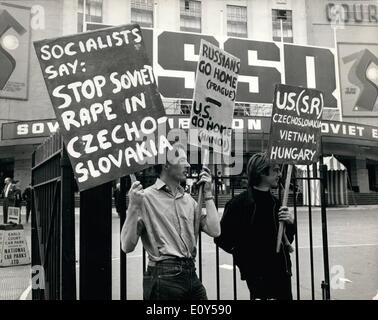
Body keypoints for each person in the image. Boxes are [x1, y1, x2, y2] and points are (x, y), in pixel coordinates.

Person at [121, 144, 220, 300]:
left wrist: (208, 193)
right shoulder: (144, 197)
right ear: (166, 164)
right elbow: (127, 246)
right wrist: (133, 206)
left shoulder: (188, 200)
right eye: (182, 160)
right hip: (163, 275)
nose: (188, 165)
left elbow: (215, 231)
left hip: (191, 273)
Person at [215, 152, 295, 300]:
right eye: (276, 170)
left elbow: (287, 239)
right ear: (262, 172)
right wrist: (247, 263)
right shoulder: (239, 204)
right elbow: (222, 239)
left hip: (282, 272)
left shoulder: (277, 204)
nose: (280, 174)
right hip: (258, 277)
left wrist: (290, 223)